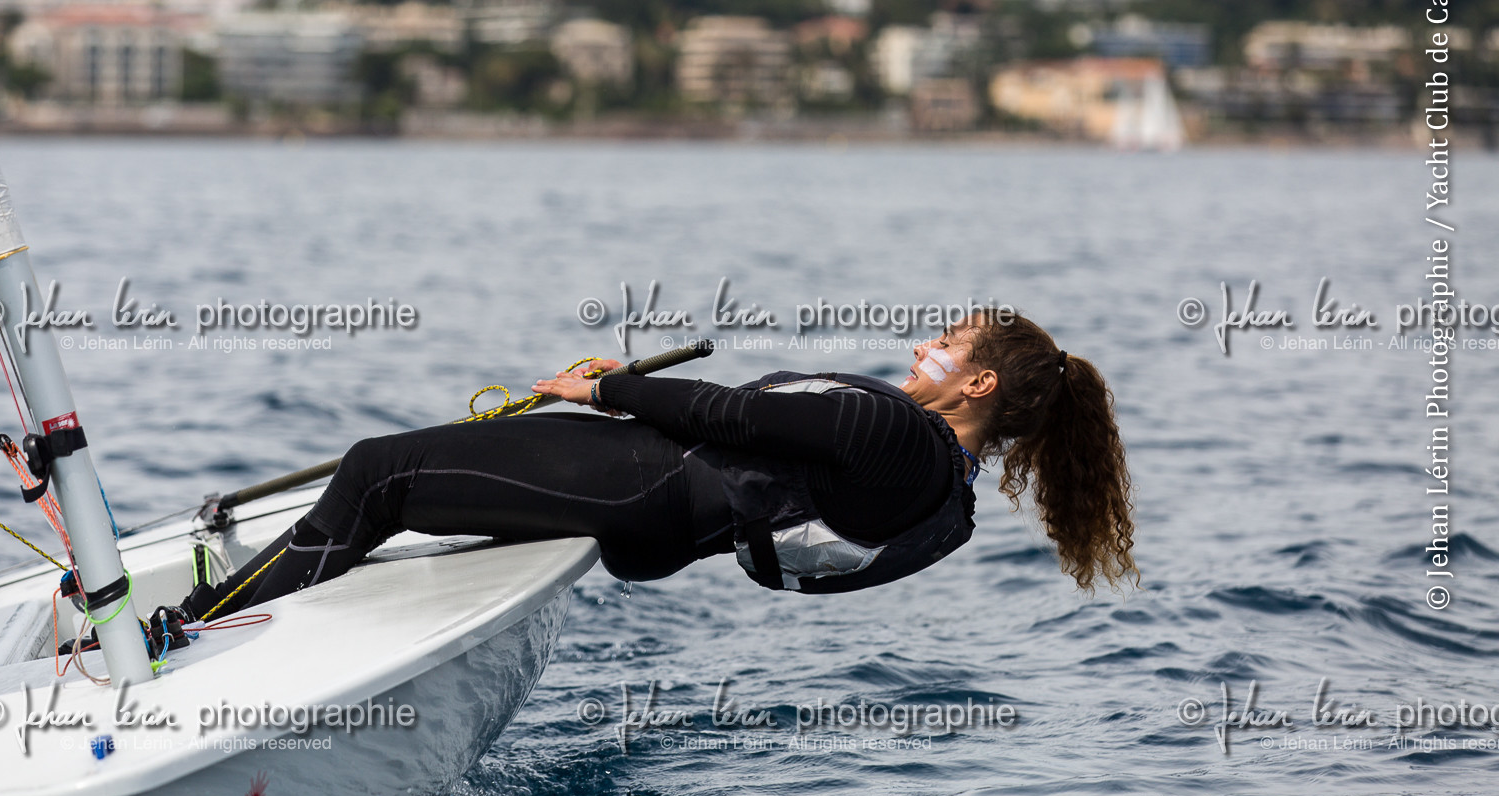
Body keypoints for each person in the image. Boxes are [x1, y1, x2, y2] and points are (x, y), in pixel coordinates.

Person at [177, 311, 1137, 623]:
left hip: (649, 476)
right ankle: (293, 592)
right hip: (672, 514)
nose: (922, 343)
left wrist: (610, 386)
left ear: (974, 383)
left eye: (944, 342)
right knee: (409, 489)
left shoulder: (898, 441)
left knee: (375, 472)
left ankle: (189, 625)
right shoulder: (948, 500)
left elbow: (731, 411)